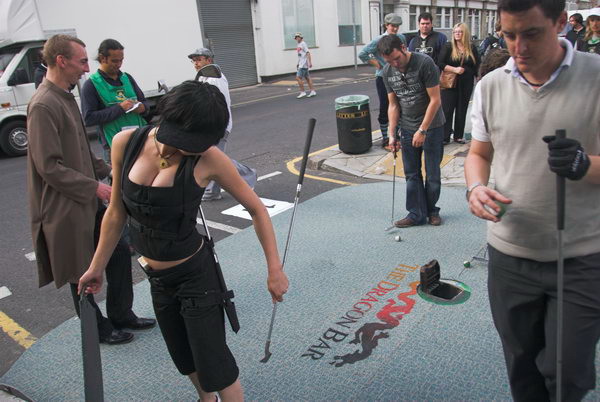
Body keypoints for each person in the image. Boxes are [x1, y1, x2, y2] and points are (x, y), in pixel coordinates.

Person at [78, 80, 289, 400]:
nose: (189, 147)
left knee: (214, 364)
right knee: (184, 358)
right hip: (157, 278)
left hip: (196, 276)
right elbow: (116, 212)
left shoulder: (209, 158)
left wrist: (274, 269)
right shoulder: (125, 142)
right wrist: (97, 267)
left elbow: (257, 209)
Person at [464, 0, 600, 400]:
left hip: (581, 257)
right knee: (522, 368)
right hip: (509, 254)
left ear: (560, 22)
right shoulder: (490, 86)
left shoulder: (598, 76)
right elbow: (478, 154)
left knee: (568, 374)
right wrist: (475, 188)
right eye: (509, 35)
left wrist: (583, 164)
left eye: (531, 33)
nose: (518, 47)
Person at [26, 35, 155, 346]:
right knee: (79, 270)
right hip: (65, 206)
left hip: (87, 199)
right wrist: (97, 188)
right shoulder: (44, 104)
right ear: (61, 61)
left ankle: (122, 314)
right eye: (82, 61)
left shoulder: (64, 96)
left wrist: (111, 171)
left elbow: (81, 151)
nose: (86, 69)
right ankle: (97, 329)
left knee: (119, 252)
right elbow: (49, 166)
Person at [377, 34, 445, 228]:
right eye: (389, 61)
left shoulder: (425, 63)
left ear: (404, 47)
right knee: (411, 174)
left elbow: (435, 100)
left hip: (432, 126)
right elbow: (393, 105)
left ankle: (432, 211)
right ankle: (416, 213)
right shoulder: (387, 72)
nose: (395, 64)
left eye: (396, 58)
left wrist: (422, 130)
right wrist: (391, 135)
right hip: (407, 126)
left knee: (432, 173)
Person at [188, 47, 257, 201]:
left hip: (217, 125)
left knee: (215, 159)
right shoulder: (202, 77)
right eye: (194, 60)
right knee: (211, 158)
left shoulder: (215, 78)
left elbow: (218, 104)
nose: (196, 63)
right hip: (208, 126)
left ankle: (248, 174)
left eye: (199, 59)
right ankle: (212, 192)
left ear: (209, 60)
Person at [82, 39, 149, 163]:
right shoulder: (91, 84)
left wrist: (142, 108)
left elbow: (145, 103)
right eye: (114, 61)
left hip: (139, 140)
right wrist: (120, 108)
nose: (119, 64)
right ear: (102, 58)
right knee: (119, 182)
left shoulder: (127, 78)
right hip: (114, 146)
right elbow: (89, 118)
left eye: (121, 60)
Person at [358, 13, 406, 150]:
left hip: (399, 76)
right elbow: (363, 54)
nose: (395, 29)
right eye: (392, 26)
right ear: (386, 25)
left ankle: (398, 137)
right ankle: (386, 139)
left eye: (397, 26)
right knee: (385, 107)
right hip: (383, 77)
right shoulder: (378, 40)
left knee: (401, 106)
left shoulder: (401, 38)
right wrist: (376, 63)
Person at [438, 22, 481, 144]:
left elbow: (477, 64)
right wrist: (454, 69)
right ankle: (445, 137)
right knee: (447, 109)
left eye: (460, 32)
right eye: (455, 32)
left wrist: (478, 76)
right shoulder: (448, 46)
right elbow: (440, 63)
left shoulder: (471, 47)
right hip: (450, 83)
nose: (457, 34)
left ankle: (458, 135)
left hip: (466, 83)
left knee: (462, 109)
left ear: (465, 33)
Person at [294, 32, 316, 99]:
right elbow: (300, 55)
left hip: (303, 64)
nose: (297, 38)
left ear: (301, 37)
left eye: (298, 37)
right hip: (301, 63)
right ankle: (312, 91)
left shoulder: (303, 44)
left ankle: (303, 92)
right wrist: (298, 62)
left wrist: (310, 62)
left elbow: (308, 53)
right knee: (307, 78)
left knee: (298, 78)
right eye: (296, 37)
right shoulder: (299, 44)